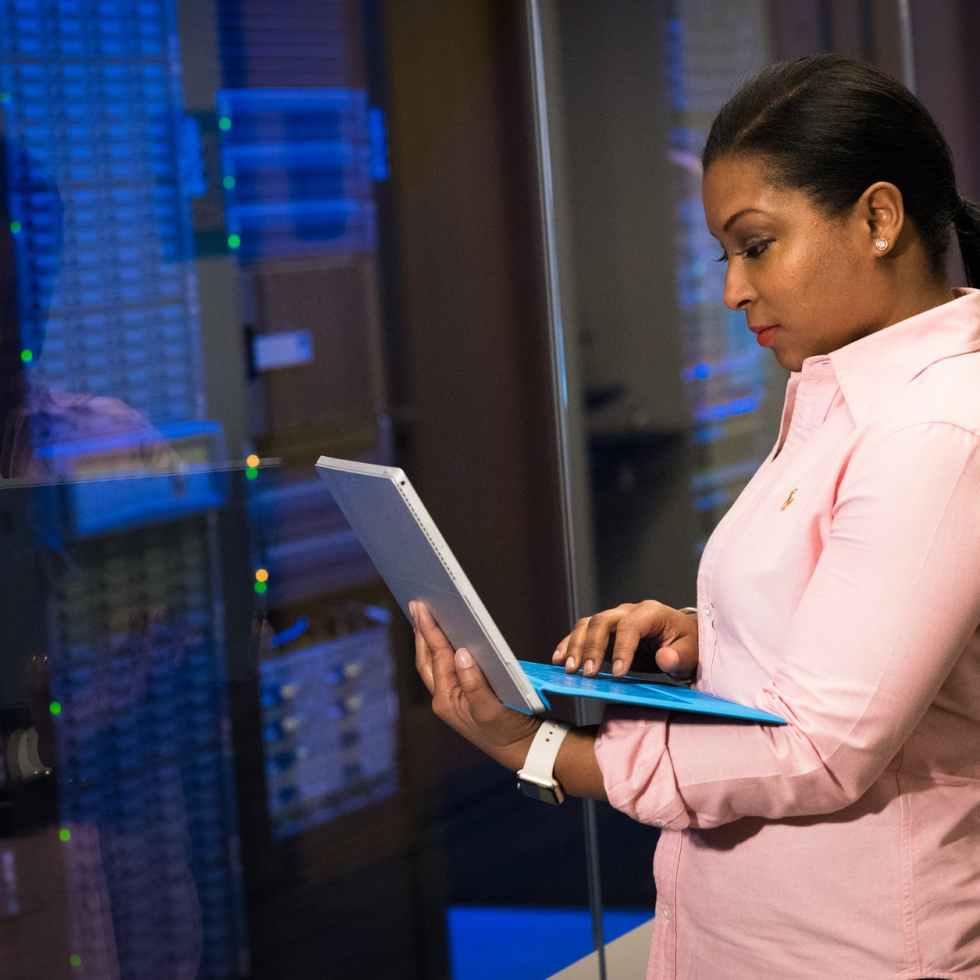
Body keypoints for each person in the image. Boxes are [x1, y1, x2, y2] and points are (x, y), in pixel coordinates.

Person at [411, 54, 980, 978]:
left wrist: (545, 751)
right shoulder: (841, 397)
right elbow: (847, 639)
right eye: (726, 255)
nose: (733, 290)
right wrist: (697, 633)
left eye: (757, 245)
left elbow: (821, 747)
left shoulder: (941, 427)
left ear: (879, 218)